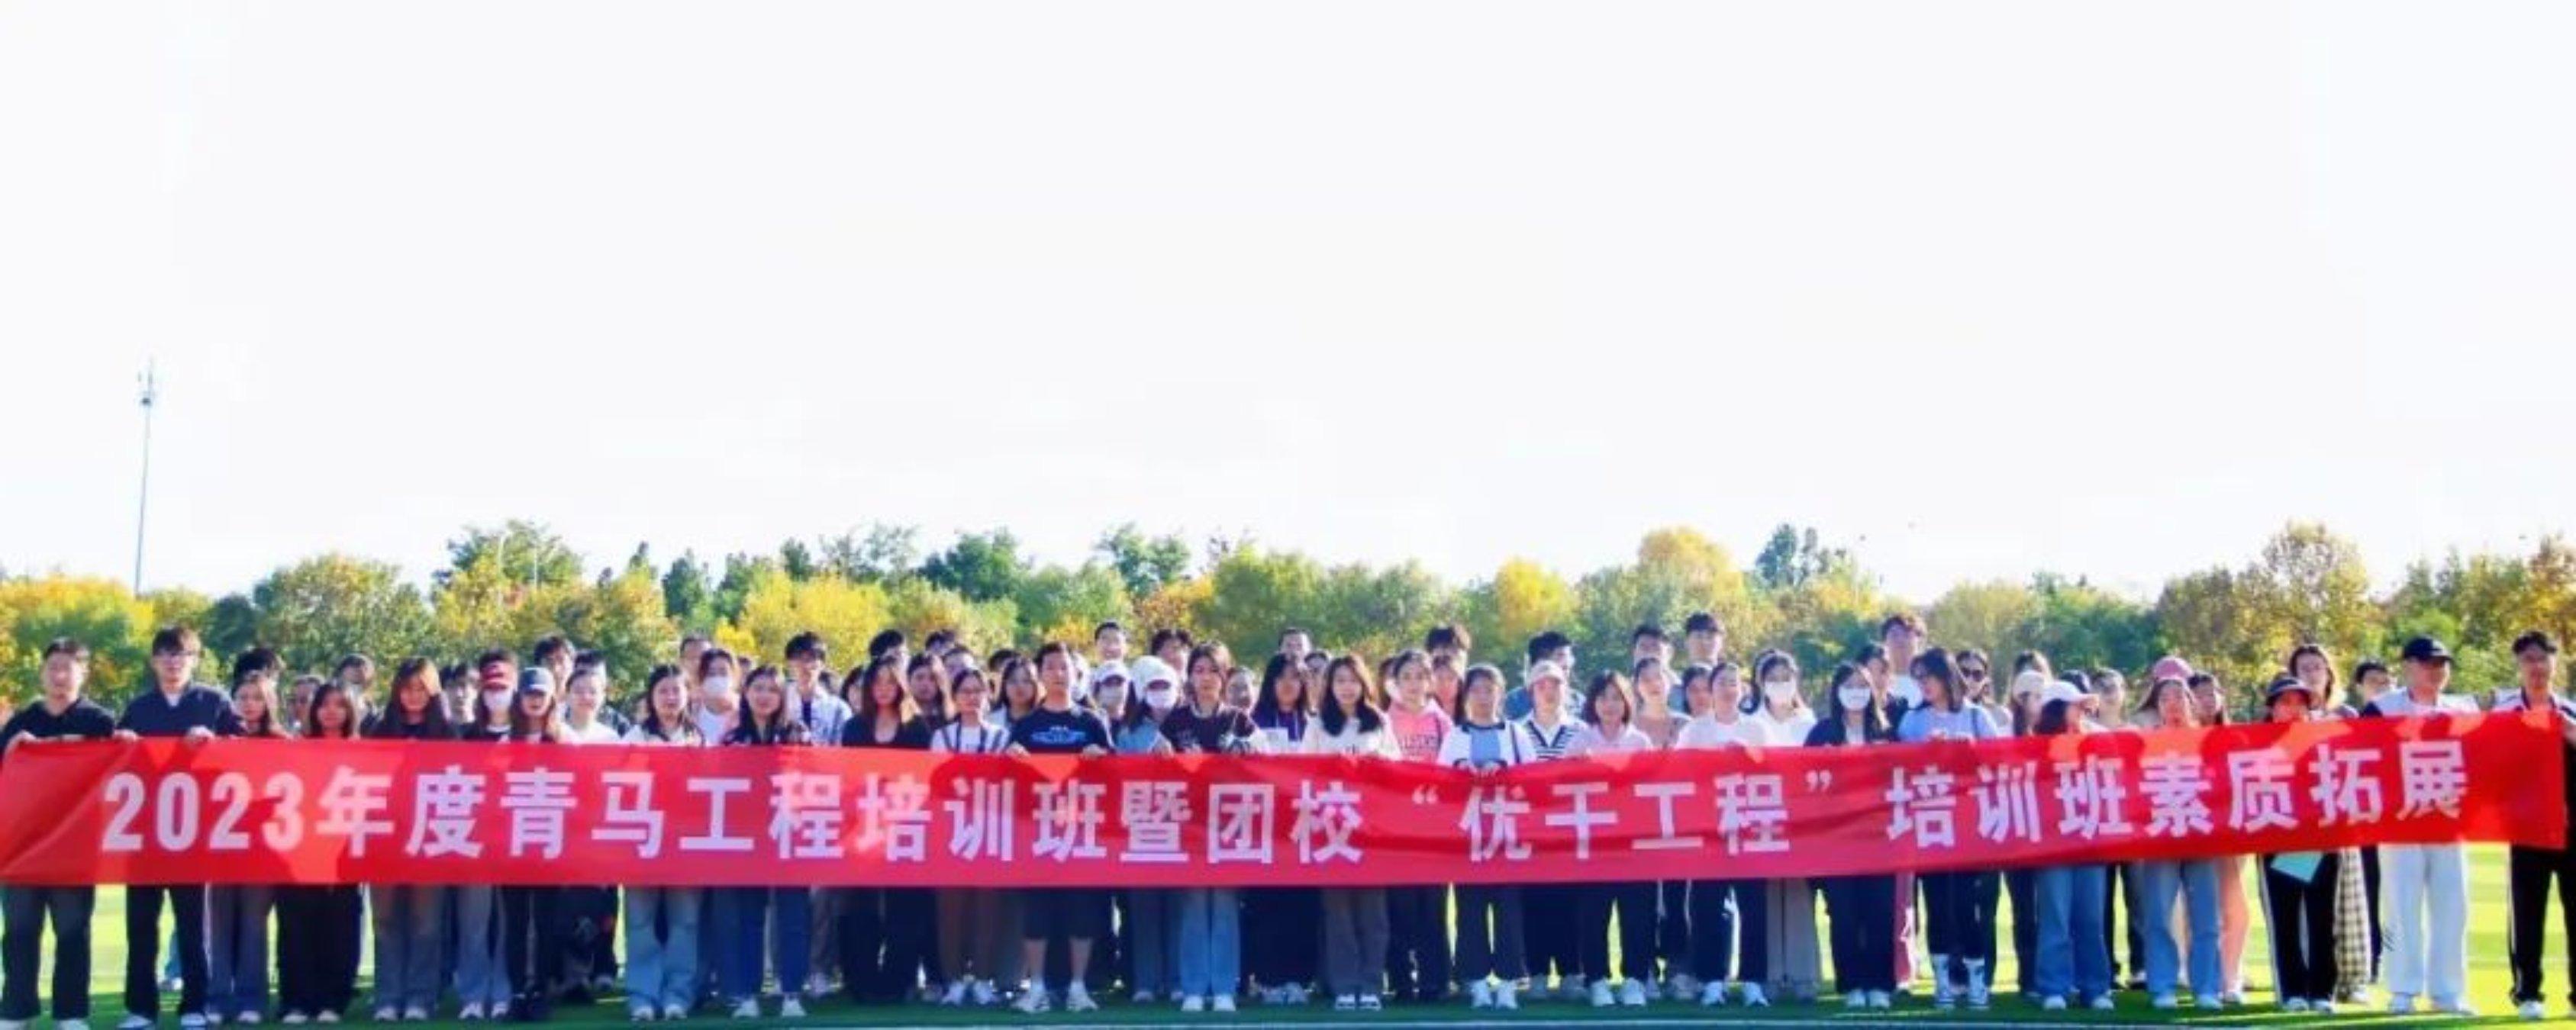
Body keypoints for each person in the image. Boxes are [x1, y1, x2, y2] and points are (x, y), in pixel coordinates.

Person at [115, 626, 240, 1030]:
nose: (173, 662)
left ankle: (195, 1006)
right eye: (166, 654)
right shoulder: (139, 707)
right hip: (144, 834)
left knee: (192, 927)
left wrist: (216, 740)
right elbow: (112, 760)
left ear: (195, 659)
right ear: (154, 661)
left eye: (181, 654)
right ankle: (141, 1008)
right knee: (141, 927)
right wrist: (122, 741)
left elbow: (247, 749)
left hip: (194, 833)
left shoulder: (214, 703)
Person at [1, 639, 119, 1030]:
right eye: (53, 667)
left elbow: (123, 765)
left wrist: (111, 743)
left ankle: (71, 1013)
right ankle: (17, 1010)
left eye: (68, 667)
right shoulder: (22, 722)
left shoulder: (100, 722)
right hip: (23, 847)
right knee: (19, 932)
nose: (59, 675)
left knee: (72, 933)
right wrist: (13, 750)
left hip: (75, 847)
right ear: (42, 672)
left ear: (84, 673)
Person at [2360, 636, 2479, 1016]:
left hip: (2449, 823)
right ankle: (2402, 989)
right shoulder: (2381, 709)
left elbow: (2482, 760)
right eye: (2428, 663)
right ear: (2408, 665)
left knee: (2452, 907)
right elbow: (2362, 758)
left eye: (2442, 664)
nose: (2437, 671)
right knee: (2401, 906)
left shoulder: (2464, 709)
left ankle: (2447, 992)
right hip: (2401, 824)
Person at [1004, 643, 1111, 1015]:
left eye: (1064, 667)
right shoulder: (1026, 725)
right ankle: (1037, 987)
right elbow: (1007, 781)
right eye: (1050, 667)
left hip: (1081, 833)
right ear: (1040, 673)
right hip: (1037, 834)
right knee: (1037, 914)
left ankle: (1078, 988)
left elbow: (1117, 774)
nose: (1058, 674)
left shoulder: (1091, 722)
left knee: (1081, 912)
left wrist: (1102, 758)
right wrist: (1012, 759)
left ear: (1075, 673)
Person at [1894, 649, 2001, 1010]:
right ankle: (1942, 981)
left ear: (1947, 676)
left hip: (1969, 826)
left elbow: (1999, 762)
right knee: (1937, 904)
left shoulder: (1976, 717)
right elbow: (1897, 768)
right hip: (1931, 825)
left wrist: (1968, 751)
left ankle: (1976, 981)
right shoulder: (1913, 720)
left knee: (1968, 905)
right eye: (1919, 678)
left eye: (1929, 676)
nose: (1924, 684)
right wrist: (1925, 752)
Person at [1162, 645, 1253, 1012]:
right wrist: (1161, 754)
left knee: (1226, 905)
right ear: (1190, 677)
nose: (1206, 678)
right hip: (1190, 826)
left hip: (1230, 826)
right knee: (1194, 905)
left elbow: (1265, 762)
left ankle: (1225, 988)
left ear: (1224, 676)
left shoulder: (1239, 720)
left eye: (1213, 670)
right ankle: (1194, 988)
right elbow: (1156, 765)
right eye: (1198, 670)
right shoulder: (1175, 721)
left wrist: (1247, 749)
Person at [718, 666, 812, 1019]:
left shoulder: (798, 734)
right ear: (746, 693)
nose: (764, 696)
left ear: (782, 696)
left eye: (772, 690)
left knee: (793, 918)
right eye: (757, 688)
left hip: (789, 835)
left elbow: (815, 780)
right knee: (748, 918)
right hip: (747, 838)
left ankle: (792, 993)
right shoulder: (733, 738)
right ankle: (748, 994)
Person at [837, 656, 932, 1006]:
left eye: (890, 682)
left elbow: (924, 778)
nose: (883, 689)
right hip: (863, 829)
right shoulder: (854, 728)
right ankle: (861, 980)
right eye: (876, 682)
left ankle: (900, 979)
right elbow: (847, 776)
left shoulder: (917, 728)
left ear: (900, 686)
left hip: (906, 827)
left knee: (904, 908)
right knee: (861, 907)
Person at [359, 661, 450, 1022]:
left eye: (421, 689)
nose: (413, 696)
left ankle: (420, 998)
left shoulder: (447, 733)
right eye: (407, 688)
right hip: (385, 840)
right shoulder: (379, 731)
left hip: (431, 840)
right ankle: (387, 997)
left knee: (426, 923)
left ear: (432, 692)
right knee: (385, 920)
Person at [1305, 655, 1398, 1011]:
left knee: (1374, 913)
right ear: (1329, 686)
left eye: (1353, 680)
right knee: (1338, 912)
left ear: (1364, 684)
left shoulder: (1379, 721)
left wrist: (1378, 765)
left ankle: (1372, 984)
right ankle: (1344, 984)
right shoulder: (1317, 725)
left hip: (1372, 829)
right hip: (1332, 829)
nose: (1347, 687)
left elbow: (1398, 768)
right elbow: (1302, 772)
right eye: (1340, 680)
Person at [1676, 661, 1769, 1006]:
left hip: (1749, 830)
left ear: (1743, 689)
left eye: (1734, 683)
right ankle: (1712, 979)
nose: (1728, 689)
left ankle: (1754, 981)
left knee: (1754, 907)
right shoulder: (1695, 730)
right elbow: (1679, 772)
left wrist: (1750, 758)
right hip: (1708, 831)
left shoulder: (1756, 729)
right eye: (1721, 683)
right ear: (1710, 690)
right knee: (1707, 907)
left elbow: (1775, 771)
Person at [1439, 664, 1530, 1010]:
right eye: (1476, 690)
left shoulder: (1515, 734)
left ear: (1500, 694)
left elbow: (1534, 777)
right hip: (1469, 841)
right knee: (1470, 912)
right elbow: (1438, 781)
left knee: (1509, 912)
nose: (1482, 697)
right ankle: (1476, 983)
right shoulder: (1454, 736)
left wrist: (1504, 771)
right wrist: (1460, 769)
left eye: (1489, 689)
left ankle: (1508, 984)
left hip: (1508, 838)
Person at [2496, 631, 2576, 1021]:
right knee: (2527, 914)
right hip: (2526, 830)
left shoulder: (2571, 713)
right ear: (2518, 665)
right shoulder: (2505, 716)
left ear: (2555, 664)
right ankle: (2528, 992)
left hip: (2571, 829)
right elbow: (2486, 768)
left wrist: (2569, 733)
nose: (2537, 667)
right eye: (2529, 659)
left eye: (2543, 659)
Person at [1807, 661, 1897, 1009]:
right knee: (1843, 913)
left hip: (1880, 839)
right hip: (1837, 841)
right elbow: (1802, 781)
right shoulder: (1822, 733)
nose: (1856, 692)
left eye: (1862, 685)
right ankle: (1852, 984)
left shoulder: (1887, 732)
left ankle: (1880, 984)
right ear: (1837, 691)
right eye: (1849, 685)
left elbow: (1905, 775)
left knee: (1880, 912)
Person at [209, 664, 292, 1025]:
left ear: (269, 702)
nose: (249, 704)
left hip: (263, 850)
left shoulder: (282, 744)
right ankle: (217, 999)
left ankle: (252, 1000)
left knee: (254, 925)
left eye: (257, 697)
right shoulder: (215, 740)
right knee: (219, 926)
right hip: (220, 849)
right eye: (242, 697)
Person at [2135, 674, 2223, 1009]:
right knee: (2159, 915)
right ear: (2157, 708)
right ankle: (2163, 986)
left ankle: (2207, 987)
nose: (2172, 704)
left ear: (2191, 703)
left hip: (2201, 837)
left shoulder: (2208, 740)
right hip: (2161, 840)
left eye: (2178, 697)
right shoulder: (2146, 742)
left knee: (2205, 917)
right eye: (2164, 699)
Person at [621, 666, 704, 1022]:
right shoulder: (634, 738)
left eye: (676, 691)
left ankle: (678, 995)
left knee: (685, 922)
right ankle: (642, 995)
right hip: (642, 843)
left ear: (687, 695)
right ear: (651, 697)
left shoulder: (701, 739)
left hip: (687, 846)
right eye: (663, 691)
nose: (670, 698)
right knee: (640, 922)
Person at [2256, 674, 2343, 1014]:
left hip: (2320, 841)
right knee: (2286, 919)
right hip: (2278, 841)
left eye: (2299, 703)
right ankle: (2292, 990)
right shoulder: (2254, 744)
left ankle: (2322, 991)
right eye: (2285, 702)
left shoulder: (2324, 739)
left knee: (2322, 919)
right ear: (2272, 707)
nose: (2293, 709)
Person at [1568, 671, 1654, 1008]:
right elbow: (1561, 786)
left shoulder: (1640, 742)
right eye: (1603, 697)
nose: (1610, 705)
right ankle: (1597, 980)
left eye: (1617, 697)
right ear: (1593, 702)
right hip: (1594, 844)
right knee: (1594, 915)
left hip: (1634, 845)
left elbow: (1652, 788)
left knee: (1637, 915)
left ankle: (1635, 979)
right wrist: (1580, 766)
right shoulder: (1580, 740)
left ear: (1627, 702)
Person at [927, 666, 1012, 1007]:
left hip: (990, 833)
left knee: (987, 911)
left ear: (988, 695)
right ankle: (953, 980)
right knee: (951, 912)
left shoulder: (1001, 737)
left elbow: (1007, 783)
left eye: (978, 691)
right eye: (965, 691)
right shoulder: (942, 737)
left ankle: (983, 979)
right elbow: (935, 782)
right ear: (954, 696)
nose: (972, 698)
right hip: (952, 833)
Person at [2027, 682, 2114, 1011]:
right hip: (2054, 846)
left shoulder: (2097, 737)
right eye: (2075, 705)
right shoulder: (2036, 745)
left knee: (2091, 918)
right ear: (2057, 709)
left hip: (2091, 841)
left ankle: (2096, 988)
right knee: (2056, 917)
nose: (2082, 711)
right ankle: (2054, 988)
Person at [1746, 652, 1822, 1005]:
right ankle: (1771, 976)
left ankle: (1804, 975)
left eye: (1785, 677)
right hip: (1760, 819)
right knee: (1765, 899)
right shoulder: (1751, 723)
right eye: (1772, 678)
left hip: (1802, 821)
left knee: (1798, 896)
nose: (1780, 685)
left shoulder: (1810, 724)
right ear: (1760, 684)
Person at [1243, 653, 1318, 1004]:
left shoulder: (1316, 723)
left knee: (1302, 906)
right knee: (1267, 905)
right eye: (1281, 677)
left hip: (1306, 828)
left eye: (1295, 678)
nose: (1288, 684)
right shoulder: (1250, 722)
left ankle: (1298, 978)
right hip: (1264, 828)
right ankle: (1268, 978)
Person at [1378, 649, 1452, 1006]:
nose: (1413, 684)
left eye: (1419, 677)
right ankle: (1402, 980)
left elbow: (1453, 772)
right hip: (1394, 829)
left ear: (1430, 681)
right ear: (1395, 682)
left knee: (1433, 908)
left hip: (1433, 830)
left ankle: (1435, 979)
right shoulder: (1383, 720)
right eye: (1405, 677)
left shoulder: (1442, 722)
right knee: (1400, 907)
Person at [1107, 659, 1181, 1006]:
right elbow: (1120, 778)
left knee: (1178, 910)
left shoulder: (1185, 724)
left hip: (1185, 832)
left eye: (1166, 686)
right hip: (1142, 830)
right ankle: (1146, 982)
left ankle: (1177, 979)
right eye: (1153, 686)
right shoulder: (1129, 731)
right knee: (1144, 910)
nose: (1161, 693)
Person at [498, 670, 567, 1022]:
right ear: (519, 698)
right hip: (512, 845)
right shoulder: (505, 741)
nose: (535, 700)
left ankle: (540, 988)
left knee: (545, 922)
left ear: (552, 698)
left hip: (551, 844)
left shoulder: (564, 740)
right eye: (529, 694)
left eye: (541, 694)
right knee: (515, 922)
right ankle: (516, 990)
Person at [1514, 660, 1585, 999]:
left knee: (1571, 904)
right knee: (1535, 903)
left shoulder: (1581, 730)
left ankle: (1572, 972)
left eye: (1555, 684)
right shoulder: (1517, 730)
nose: (1549, 691)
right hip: (1530, 831)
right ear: (1531, 691)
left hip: (1571, 829)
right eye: (1542, 685)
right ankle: (1538, 973)